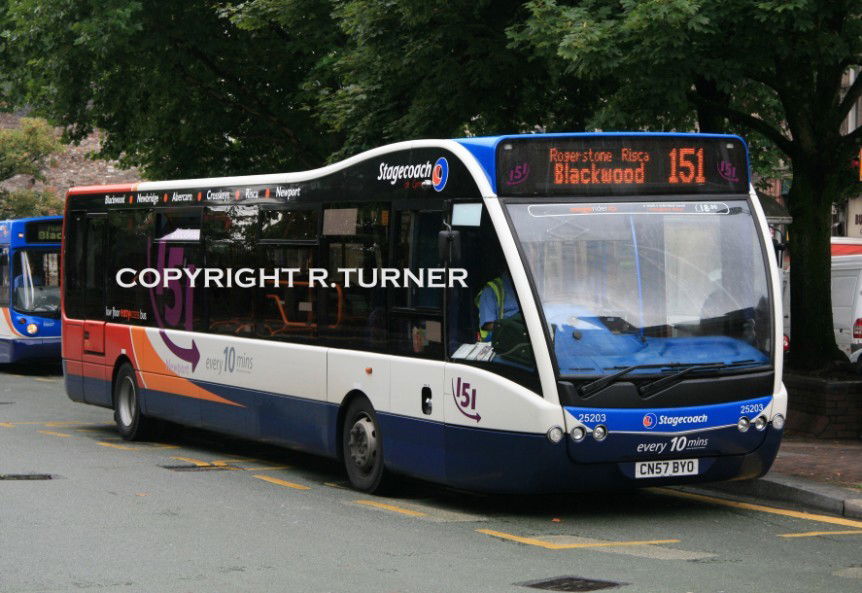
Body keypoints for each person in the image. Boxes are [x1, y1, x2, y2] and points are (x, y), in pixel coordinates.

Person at [475, 270, 520, 341]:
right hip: (499, 341)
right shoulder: (490, 290)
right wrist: (517, 326)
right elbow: (487, 325)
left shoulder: (527, 286)